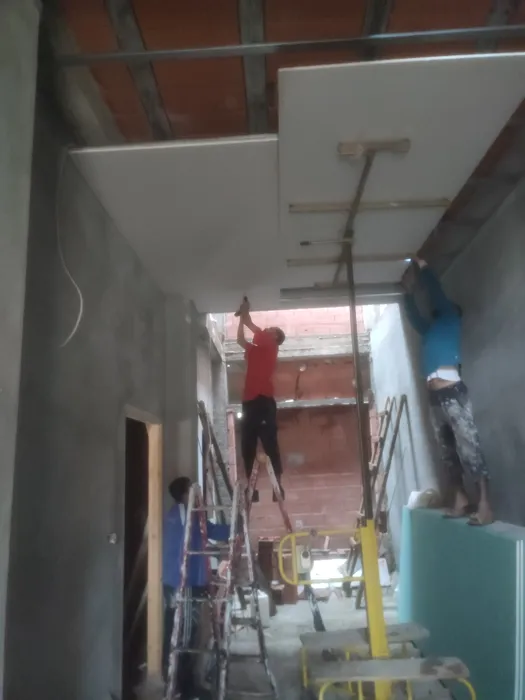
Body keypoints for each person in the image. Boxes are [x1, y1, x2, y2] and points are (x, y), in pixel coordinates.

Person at [403, 257, 493, 526]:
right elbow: (414, 318)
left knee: (469, 447)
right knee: (447, 452)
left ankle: (485, 506)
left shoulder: (451, 319)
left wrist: (423, 267)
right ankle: (461, 500)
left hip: (452, 392)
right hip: (435, 398)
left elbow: (437, 294)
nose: (436, 309)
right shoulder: (431, 331)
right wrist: (407, 293)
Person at [162, 476, 230, 698]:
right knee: (185, 635)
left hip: (175, 581)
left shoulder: (176, 514)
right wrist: (235, 527)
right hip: (185, 582)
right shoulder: (186, 514)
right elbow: (209, 530)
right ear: (185, 495)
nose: (198, 495)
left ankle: (174, 680)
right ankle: (184, 686)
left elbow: (202, 534)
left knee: (174, 629)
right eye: (192, 489)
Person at [236, 299, 286, 502]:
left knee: (270, 443)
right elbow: (240, 339)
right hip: (249, 402)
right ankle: (251, 488)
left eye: (271, 329)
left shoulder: (272, 345)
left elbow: (252, 326)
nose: (267, 328)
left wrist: (245, 313)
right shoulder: (257, 350)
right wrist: (242, 318)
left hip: (263, 401)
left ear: (275, 337)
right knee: (247, 445)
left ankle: (278, 486)